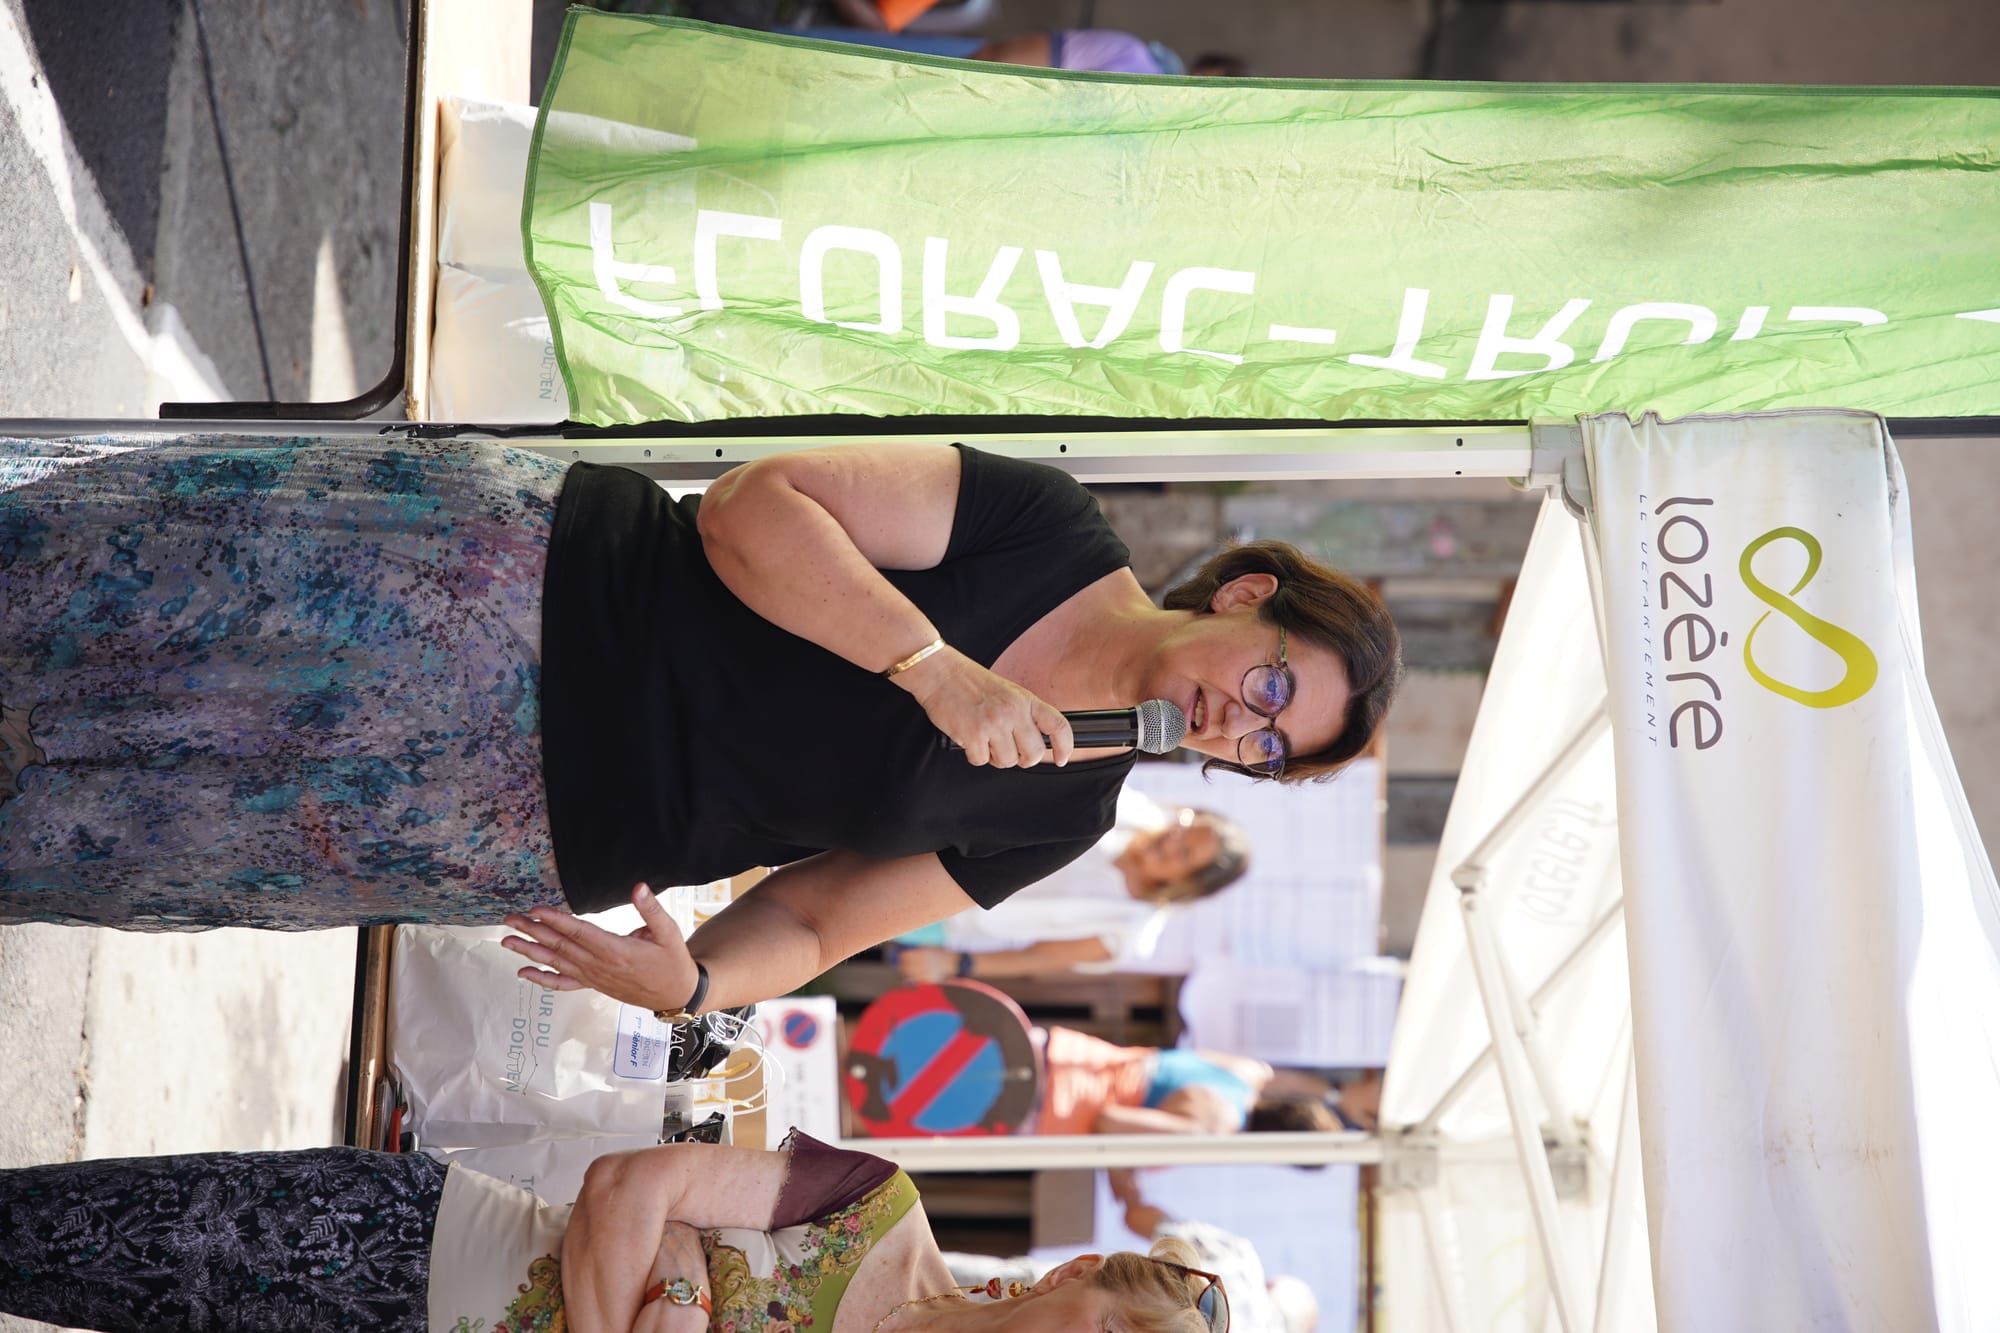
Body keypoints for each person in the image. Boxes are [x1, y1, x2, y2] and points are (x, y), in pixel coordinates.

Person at [0, 437, 1400, 1020]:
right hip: (499, 594)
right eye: (1272, 685)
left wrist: (688, 990)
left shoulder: (1064, 813)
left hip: (493, 818)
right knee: (90, 608)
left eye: (1270, 749)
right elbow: (752, 506)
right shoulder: (1043, 523)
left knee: (101, 826)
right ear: (1248, 595)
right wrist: (931, 665)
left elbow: (813, 922)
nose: (1238, 726)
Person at [0, 1133, 1230, 1333]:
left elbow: (653, 1226)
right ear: (1075, 1271)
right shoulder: (874, 1207)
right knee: (36, 1235)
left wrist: (680, 1279)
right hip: (397, 1246)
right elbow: (629, 1179)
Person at [894, 788, 1252, 983]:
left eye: (1185, 853)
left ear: (1188, 884)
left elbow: (1036, 957)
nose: (1172, 841)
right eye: (1184, 827)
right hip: (948, 837)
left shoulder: (1128, 931)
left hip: (948, 914)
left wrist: (953, 964)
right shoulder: (1127, 808)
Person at [1036, 1026, 1344, 1136]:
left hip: (1061, 1050)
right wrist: (1126, 1185)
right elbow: (1109, 1122)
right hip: (1047, 1105)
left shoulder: (1246, 1071)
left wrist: (1337, 1095)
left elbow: (1280, 1076)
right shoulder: (1217, 1126)